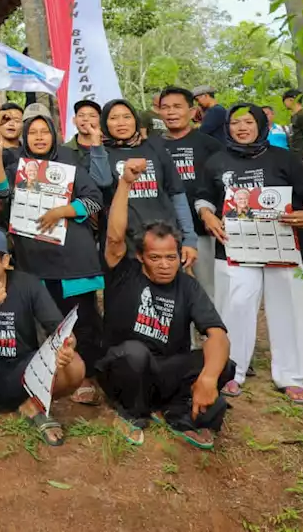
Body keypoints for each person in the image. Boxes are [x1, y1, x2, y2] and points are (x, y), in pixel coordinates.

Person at [198, 104, 303, 403]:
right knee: (235, 305)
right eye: (235, 123)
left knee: (291, 308)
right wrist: (207, 214)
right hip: (233, 247)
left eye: (248, 122)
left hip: (286, 246)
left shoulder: (285, 159)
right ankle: (231, 371)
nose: (241, 127)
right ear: (227, 127)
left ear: (260, 124)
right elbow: (204, 196)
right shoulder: (216, 161)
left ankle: (292, 376)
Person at [100, 158, 233, 449]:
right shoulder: (125, 273)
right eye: (155, 258)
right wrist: (125, 183)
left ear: (179, 255)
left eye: (170, 257)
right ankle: (132, 414)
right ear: (140, 257)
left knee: (223, 365)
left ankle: (175, 411)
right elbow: (114, 236)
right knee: (134, 354)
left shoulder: (187, 285)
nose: (164, 265)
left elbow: (217, 335)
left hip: (164, 370)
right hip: (123, 369)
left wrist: (209, 378)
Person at [0, 112, 105, 405]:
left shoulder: (70, 163)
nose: (39, 137)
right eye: (33, 133)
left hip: (74, 263)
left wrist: (61, 211)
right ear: (25, 138)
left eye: (45, 131)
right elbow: (2, 192)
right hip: (34, 263)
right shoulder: (17, 167)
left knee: (82, 321)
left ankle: (86, 377)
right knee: (44, 322)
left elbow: (94, 199)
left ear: (54, 135)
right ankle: (46, 378)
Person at [0, 226, 84, 446]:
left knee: (76, 365)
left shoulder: (28, 284)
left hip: (25, 371)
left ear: (4, 260)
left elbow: (61, 331)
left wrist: (67, 347)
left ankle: (32, 406)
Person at [98, 99, 197, 263]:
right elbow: (102, 182)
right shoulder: (101, 154)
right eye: (114, 118)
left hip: (163, 241)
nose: (121, 123)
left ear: (135, 121)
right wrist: (96, 147)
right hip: (124, 245)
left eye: (127, 117)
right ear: (105, 123)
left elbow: (177, 194)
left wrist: (190, 239)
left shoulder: (155, 148)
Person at [159, 86, 225, 301]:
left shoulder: (211, 146)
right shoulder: (152, 147)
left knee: (209, 292)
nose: (171, 112)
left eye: (177, 107)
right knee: (172, 297)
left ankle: (215, 334)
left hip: (204, 231)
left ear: (192, 111)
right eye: (165, 107)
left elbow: (223, 187)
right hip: (164, 234)